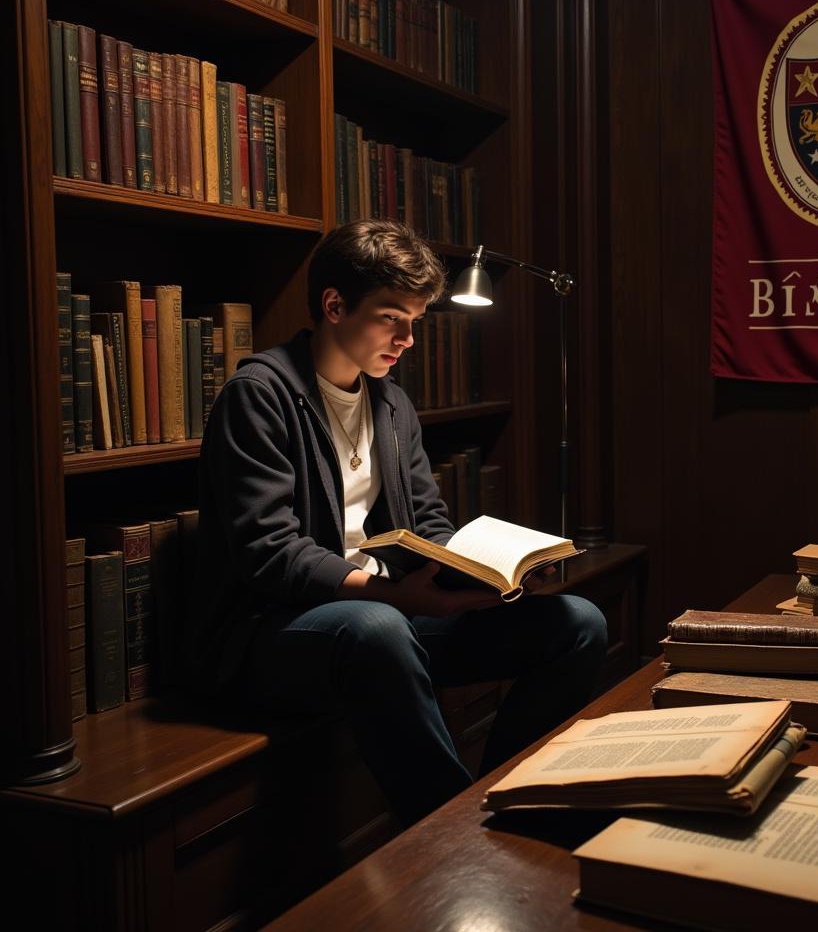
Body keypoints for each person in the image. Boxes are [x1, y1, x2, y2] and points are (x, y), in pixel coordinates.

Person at [182, 218, 607, 826]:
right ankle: (451, 833)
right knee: (377, 628)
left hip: (388, 618)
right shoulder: (259, 394)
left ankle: (512, 800)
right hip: (273, 635)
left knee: (577, 623)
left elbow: (427, 521)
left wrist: (481, 576)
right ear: (334, 305)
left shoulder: (390, 402)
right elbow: (269, 552)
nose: (408, 338)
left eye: (417, 319)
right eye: (392, 317)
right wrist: (393, 594)